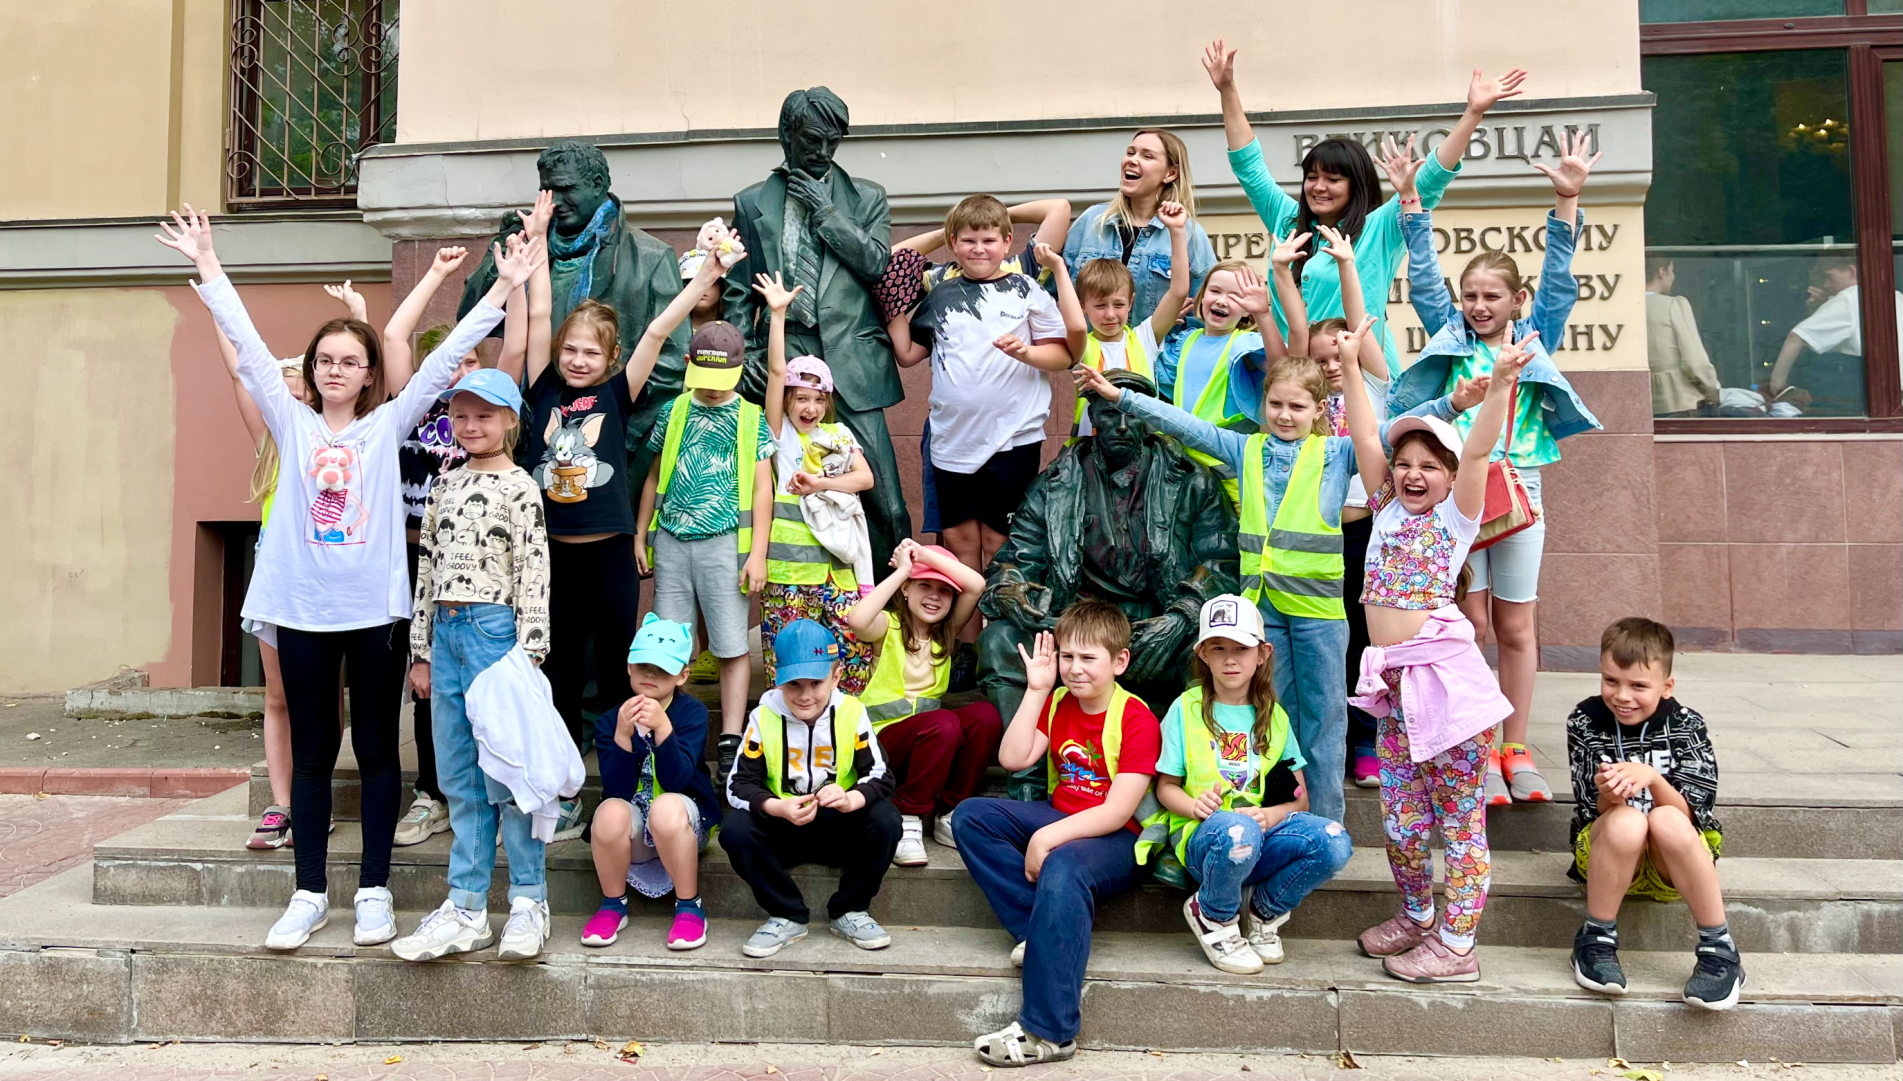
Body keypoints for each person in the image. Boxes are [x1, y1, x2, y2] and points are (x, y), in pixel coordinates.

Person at [157, 204, 541, 951]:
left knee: (372, 749)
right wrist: (206, 260)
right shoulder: (290, 419)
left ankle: (372, 890)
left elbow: (440, 362)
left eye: (349, 361)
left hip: (373, 615)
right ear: (311, 372)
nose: (335, 370)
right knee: (310, 754)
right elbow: (241, 337)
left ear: (368, 376)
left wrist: (501, 289)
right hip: (300, 611)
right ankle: (307, 891)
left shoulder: (385, 427)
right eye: (324, 360)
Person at [1384, 134, 1603, 807]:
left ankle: (1514, 744)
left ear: (1516, 300)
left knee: (1514, 627)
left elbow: (1561, 280)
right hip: (1462, 497)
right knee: (1467, 626)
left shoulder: (1531, 339)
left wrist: (1566, 198)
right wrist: (1409, 200)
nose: (1479, 305)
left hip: (1522, 490)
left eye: (1491, 296)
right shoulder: (1449, 339)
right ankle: (1475, 746)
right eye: (1471, 294)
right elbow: (1422, 277)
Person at [525, 207, 740, 831]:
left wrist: (703, 283)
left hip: (611, 549)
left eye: (591, 352)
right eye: (571, 349)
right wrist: (538, 244)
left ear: (610, 358)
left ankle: (637, 773)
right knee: (562, 666)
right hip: (556, 552)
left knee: (626, 660)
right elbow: (538, 316)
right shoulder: (542, 390)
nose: (577, 359)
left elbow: (657, 333)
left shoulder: (618, 392)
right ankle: (567, 787)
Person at [1080, 344, 1357, 826]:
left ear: (1318, 410)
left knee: (1325, 721)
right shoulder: (1245, 447)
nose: (1285, 415)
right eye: (1276, 404)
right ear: (1263, 403)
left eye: (1297, 407)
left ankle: (1325, 824)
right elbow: (1187, 426)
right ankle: (1282, 817)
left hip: (1318, 614)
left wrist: (1454, 405)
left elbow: (1393, 434)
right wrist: (1123, 400)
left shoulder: (1337, 453)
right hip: (1264, 609)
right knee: (1274, 718)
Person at [1337, 323, 1521, 983]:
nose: (1413, 473)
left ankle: (1457, 942)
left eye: (1428, 466)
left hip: (1445, 693)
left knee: (1458, 822)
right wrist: (1351, 369)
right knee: (1402, 820)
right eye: (1404, 462)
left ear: (1446, 480)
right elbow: (1364, 435)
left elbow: (1476, 454)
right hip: (1393, 694)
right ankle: (1416, 914)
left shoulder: (1452, 519)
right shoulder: (1384, 507)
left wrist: (1497, 385)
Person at [977, 369, 1238, 795]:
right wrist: (1014, 591)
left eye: (1131, 415)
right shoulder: (1056, 483)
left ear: (1149, 418)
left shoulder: (1191, 481)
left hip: (1155, 628)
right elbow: (1015, 558)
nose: (1120, 426)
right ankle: (1027, 781)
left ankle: (1197, 790)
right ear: (1091, 413)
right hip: (1075, 626)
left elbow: (1222, 562)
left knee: (1210, 654)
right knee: (1001, 642)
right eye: (1109, 413)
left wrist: (1182, 616)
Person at [1204, 37, 1525, 371]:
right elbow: (1249, 167)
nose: (1319, 187)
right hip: (1298, 380)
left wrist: (1473, 112)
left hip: (1362, 375)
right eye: (1312, 177)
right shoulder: (1287, 222)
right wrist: (1227, 89)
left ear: (1355, 185)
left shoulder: (1379, 227)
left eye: (1333, 179)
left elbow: (1432, 176)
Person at [955, 601, 1164, 1068]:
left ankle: (1049, 1032)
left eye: (1088, 658)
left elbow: (1117, 812)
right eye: (1068, 657)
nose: (1075, 668)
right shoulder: (1058, 703)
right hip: (1063, 817)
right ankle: (1041, 932)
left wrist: (1046, 840)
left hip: (1121, 839)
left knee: (1064, 864)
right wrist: (1035, 691)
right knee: (971, 816)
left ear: (1120, 662)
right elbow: (1012, 758)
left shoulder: (1136, 718)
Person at [390, 367, 554, 962]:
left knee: (509, 774)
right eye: (460, 415)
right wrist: (421, 650)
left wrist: (530, 652)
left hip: (496, 634)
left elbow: (534, 571)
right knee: (459, 777)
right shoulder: (443, 485)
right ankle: (466, 905)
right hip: (447, 635)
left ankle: (529, 902)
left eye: (484, 415)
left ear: (510, 421)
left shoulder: (521, 488)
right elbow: (427, 569)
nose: (470, 426)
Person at [726, 88, 910, 568]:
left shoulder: (866, 196)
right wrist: (745, 351)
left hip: (853, 361)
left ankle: (893, 610)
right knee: (783, 487)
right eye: (813, 139)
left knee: (886, 499)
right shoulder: (751, 203)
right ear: (786, 135)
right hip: (787, 355)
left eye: (833, 141)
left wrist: (826, 213)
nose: (823, 152)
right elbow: (739, 288)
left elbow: (874, 263)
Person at [1154, 595, 1353, 974]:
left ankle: (1264, 910)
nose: (1230, 659)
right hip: (1205, 840)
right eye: (1219, 648)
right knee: (1236, 830)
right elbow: (1166, 787)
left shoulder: (1274, 716)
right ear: (1203, 655)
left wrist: (1269, 814)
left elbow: (1299, 800)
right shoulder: (1186, 708)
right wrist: (1193, 806)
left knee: (1333, 838)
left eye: (1241, 649)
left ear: (1262, 654)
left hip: (1257, 836)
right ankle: (1213, 914)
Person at [888, 194, 1072, 591]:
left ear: (1008, 242)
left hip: (1013, 440)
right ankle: (968, 648)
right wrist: (895, 312)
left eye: (989, 240)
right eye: (968, 240)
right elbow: (907, 355)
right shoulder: (938, 291)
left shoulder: (1026, 288)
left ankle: (999, 642)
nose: (979, 249)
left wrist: (1027, 352)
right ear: (953, 242)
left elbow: (1063, 355)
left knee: (1000, 544)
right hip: (951, 441)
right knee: (958, 545)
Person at [637, 289, 776, 783]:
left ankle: (731, 739)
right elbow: (655, 475)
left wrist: (757, 554)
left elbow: (763, 489)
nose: (712, 390)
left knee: (731, 644)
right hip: (673, 540)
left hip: (724, 542)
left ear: (738, 372)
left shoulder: (750, 417)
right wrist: (641, 533)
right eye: (704, 379)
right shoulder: (675, 411)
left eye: (722, 381)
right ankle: (670, 735)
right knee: (669, 644)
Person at [1566, 617, 1740, 1010]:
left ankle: (1719, 949)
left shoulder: (1687, 724)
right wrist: (1609, 794)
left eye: (1639, 685)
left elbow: (1695, 815)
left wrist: (1653, 780)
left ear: (1667, 687)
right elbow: (1591, 813)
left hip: (1671, 860)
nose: (1622, 696)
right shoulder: (1585, 721)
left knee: (1664, 818)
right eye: (1611, 681)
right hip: (1610, 855)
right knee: (1627, 820)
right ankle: (1596, 940)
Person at [387, 244, 498, 849]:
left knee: (470, 675)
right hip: (407, 556)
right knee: (421, 677)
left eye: (467, 361)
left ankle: (480, 788)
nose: (458, 373)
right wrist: (435, 275)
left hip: (468, 564)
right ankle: (430, 791)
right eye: (448, 363)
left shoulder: (482, 417)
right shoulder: (412, 410)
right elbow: (397, 336)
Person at [210, 298, 329, 850]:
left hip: (326, 576)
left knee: (324, 694)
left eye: (295, 381)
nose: (289, 390)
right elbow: (237, 369)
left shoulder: (334, 443)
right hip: (277, 577)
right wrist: (216, 304)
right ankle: (283, 805)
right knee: (277, 694)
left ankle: (315, 798)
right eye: (278, 383)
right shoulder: (270, 448)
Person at [719, 619, 900, 958]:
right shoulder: (763, 716)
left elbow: (881, 775)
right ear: (777, 679)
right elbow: (737, 784)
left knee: (887, 819)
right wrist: (775, 806)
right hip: (785, 827)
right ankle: (786, 913)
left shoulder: (852, 712)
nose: (805, 695)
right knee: (735, 830)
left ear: (836, 676)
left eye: (816, 683)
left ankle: (851, 909)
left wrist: (852, 798)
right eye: (793, 685)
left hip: (839, 826)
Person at [756, 272, 876, 693]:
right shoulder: (777, 435)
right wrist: (778, 314)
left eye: (819, 398)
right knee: (787, 660)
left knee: (852, 656)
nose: (810, 406)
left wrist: (821, 485)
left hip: (837, 571)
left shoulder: (838, 435)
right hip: (788, 571)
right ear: (788, 400)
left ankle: (846, 732)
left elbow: (865, 478)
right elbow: (774, 372)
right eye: (801, 397)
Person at [847, 539, 998, 867]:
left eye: (944, 590)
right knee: (943, 723)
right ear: (905, 589)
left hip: (930, 743)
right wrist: (903, 569)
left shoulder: (946, 633)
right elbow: (857, 620)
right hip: (882, 744)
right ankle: (908, 816)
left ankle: (950, 813)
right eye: (924, 585)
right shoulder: (887, 626)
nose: (934, 595)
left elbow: (977, 585)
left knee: (984, 715)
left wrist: (922, 554)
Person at [581, 614, 719, 952]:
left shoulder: (692, 713)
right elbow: (617, 789)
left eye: (664, 669)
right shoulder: (612, 719)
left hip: (683, 823)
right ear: (629, 666)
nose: (651, 675)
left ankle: (689, 905)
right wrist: (622, 737)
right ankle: (613, 903)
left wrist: (663, 729)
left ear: (683, 675)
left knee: (665, 807)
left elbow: (677, 780)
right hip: (636, 827)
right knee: (609, 812)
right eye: (643, 665)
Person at [1152, 252, 1305, 507]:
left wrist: (1264, 315)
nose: (1222, 300)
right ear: (1202, 296)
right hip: (1181, 466)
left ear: (1247, 310)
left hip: (1227, 469)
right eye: (1215, 291)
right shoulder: (1183, 342)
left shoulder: (1244, 343)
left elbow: (1282, 370)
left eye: (1235, 296)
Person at [1040, 198, 1192, 440]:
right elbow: (1075, 324)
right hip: (1091, 448)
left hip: (1142, 447)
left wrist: (1177, 230)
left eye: (1119, 305)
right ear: (1083, 306)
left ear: (1131, 303)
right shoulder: (1080, 346)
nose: (1110, 314)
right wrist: (1059, 269)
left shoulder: (1145, 337)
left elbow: (1179, 290)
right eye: (1100, 306)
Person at [1061, 129, 1218, 325]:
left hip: (1157, 353)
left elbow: (1204, 316)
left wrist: (1165, 325)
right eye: (1130, 152)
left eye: (1147, 156)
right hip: (1090, 354)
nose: (1132, 160)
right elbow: (1053, 295)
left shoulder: (1188, 234)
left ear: (1170, 173)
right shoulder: (1092, 221)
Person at [1768, 256, 1903, 414]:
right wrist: (1821, 307)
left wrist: (1777, 386)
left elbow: (1797, 337)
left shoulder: (1849, 297)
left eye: (1830, 276)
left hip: (1875, 395)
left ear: (1852, 271)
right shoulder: (1894, 295)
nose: (1826, 285)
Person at [1644, 258, 1722, 418]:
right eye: (1672, 271)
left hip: (1644, 400)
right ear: (1662, 272)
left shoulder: (1627, 306)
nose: (1673, 277)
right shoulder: (1673, 304)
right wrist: (1711, 387)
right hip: (1680, 399)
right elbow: (1694, 359)